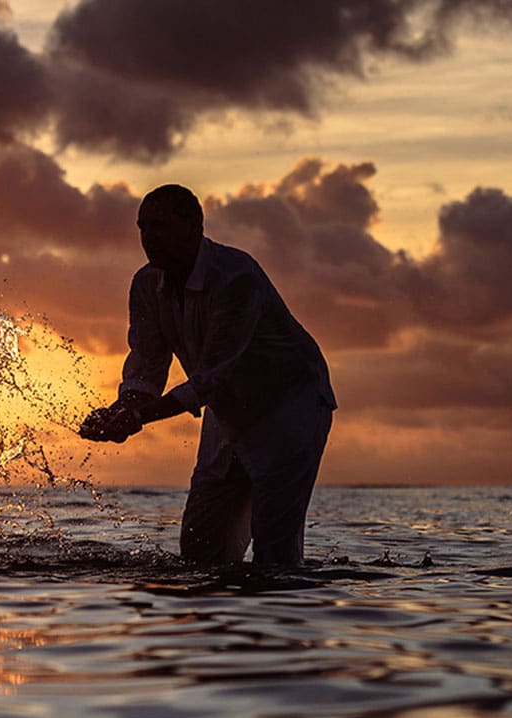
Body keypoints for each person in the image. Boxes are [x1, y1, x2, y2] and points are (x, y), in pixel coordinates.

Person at [80, 184, 336, 566]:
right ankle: (218, 624)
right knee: (200, 549)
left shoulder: (236, 277)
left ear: (195, 226)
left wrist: (134, 419)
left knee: (276, 554)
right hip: (227, 411)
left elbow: (210, 378)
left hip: (291, 406)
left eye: (161, 227)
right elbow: (147, 366)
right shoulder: (146, 284)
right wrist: (122, 409)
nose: (149, 238)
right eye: (143, 228)